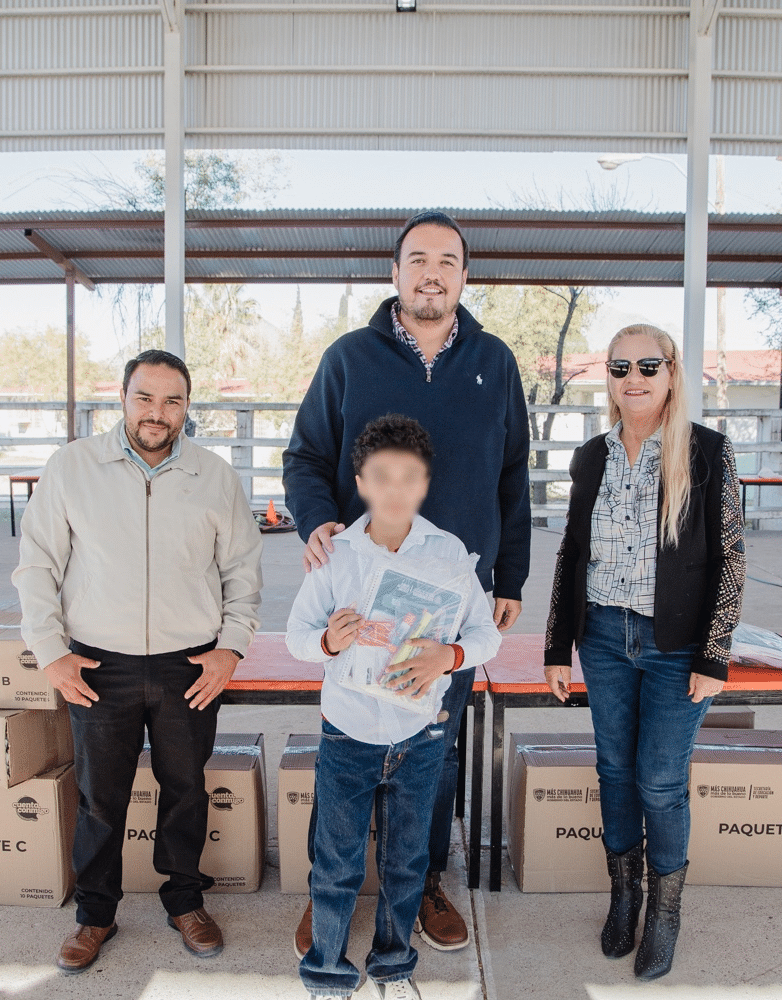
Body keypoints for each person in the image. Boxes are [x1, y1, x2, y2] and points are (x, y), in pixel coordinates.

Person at [282, 211, 531, 955]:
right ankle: (330, 885)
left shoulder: (494, 361)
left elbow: (514, 474)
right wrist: (316, 522)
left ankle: (422, 880)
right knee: (348, 740)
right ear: (394, 274)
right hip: (362, 592)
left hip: (448, 599)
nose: (432, 273)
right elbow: (304, 457)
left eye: (447, 261)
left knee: (434, 744)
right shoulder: (349, 358)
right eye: (417, 259)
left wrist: (510, 576)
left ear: (465, 277)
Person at [13, 349, 263, 973]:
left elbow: (242, 571)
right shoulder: (73, 467)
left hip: (189, 664)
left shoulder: (214, 476)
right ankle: (95, 914)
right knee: (100, 798)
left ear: (187, 407)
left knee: (185, 790)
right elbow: (37, 566)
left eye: (172, 400)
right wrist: (51, 654)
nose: (158, 412)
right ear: (122, 399)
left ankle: (185, 901)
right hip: (99, 665)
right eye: (145, 398)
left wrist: (231, 647)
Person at [543, 325, 745, 981]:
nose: (633, 378)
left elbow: (731, 557)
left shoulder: (707, 451)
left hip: (674, 646)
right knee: (613, 770)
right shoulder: (590, 457)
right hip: (603, 637)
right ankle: (624, 895)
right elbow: (572, 553)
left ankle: (665, 911)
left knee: (659, 778)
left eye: (648, 366)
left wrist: (714, 654)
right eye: (620, 366)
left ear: (671, 372)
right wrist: (556, 646)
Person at [287, 414, 502, 1000]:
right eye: (381, 476)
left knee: (406, 863)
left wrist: (449, 656)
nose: (396, 489)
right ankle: (327, 975)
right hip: (347, 733)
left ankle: (393, 968)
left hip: (418, 734)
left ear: (425, 483)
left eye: (409, 476)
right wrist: (328, 640)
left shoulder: (448, 553)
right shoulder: (335, 554)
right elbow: (297, 636)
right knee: (337, 864)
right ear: (360, 482)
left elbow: (486, 635)